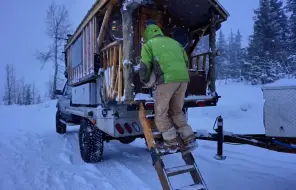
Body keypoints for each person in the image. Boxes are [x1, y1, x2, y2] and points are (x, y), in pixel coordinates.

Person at [138, 20, 197, 154]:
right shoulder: (174, 42)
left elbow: (145, 66)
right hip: (183, 79)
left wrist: (145, 80)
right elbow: (186, 61)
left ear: (147, 34)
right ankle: (189, 138)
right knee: (176, 112)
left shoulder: (149, 44)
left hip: (167, 80)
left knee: (160, 114)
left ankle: (171, 143)